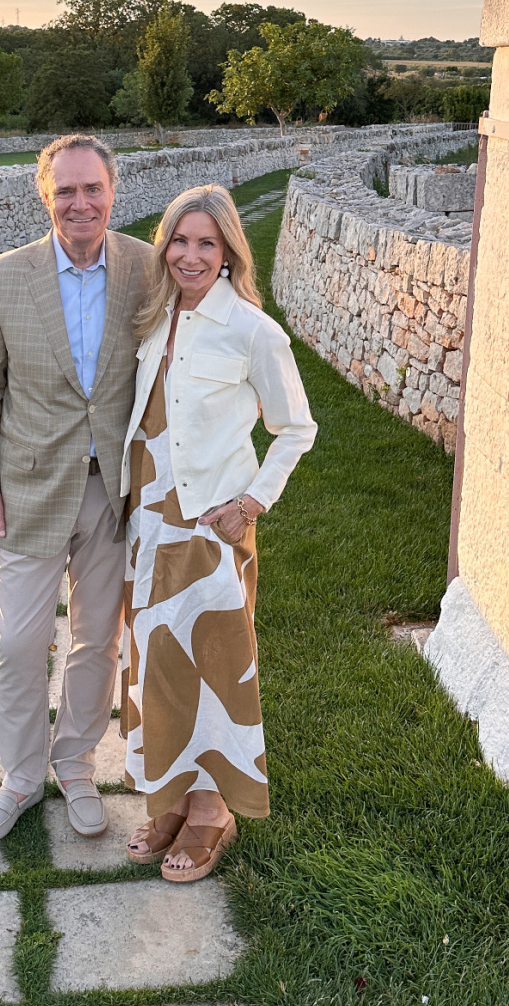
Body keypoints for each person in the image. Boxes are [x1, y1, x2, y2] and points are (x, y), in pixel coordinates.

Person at [0, 134, 152, 848]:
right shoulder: (2, 280)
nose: (80, 203)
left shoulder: (146, 269)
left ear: (112, 191)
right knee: (19, 643)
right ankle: (19, 778)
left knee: (98, 641)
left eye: (92, 188)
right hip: (29, 490)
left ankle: (75, 765)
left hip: (112, 492)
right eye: (65, 190)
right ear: (45, 196)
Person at [119, 183, 317, 882]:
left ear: (230, 251)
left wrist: (251, 503)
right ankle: (171, 798)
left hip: (209, 528)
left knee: (212, 666)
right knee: (158, 664)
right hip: (148, 523)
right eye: (179, 240)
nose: (191, 255)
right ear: (164, 246)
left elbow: (297, 428)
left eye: (207, 243)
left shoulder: (252, 330)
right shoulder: (155, 319)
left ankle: (212, 811)